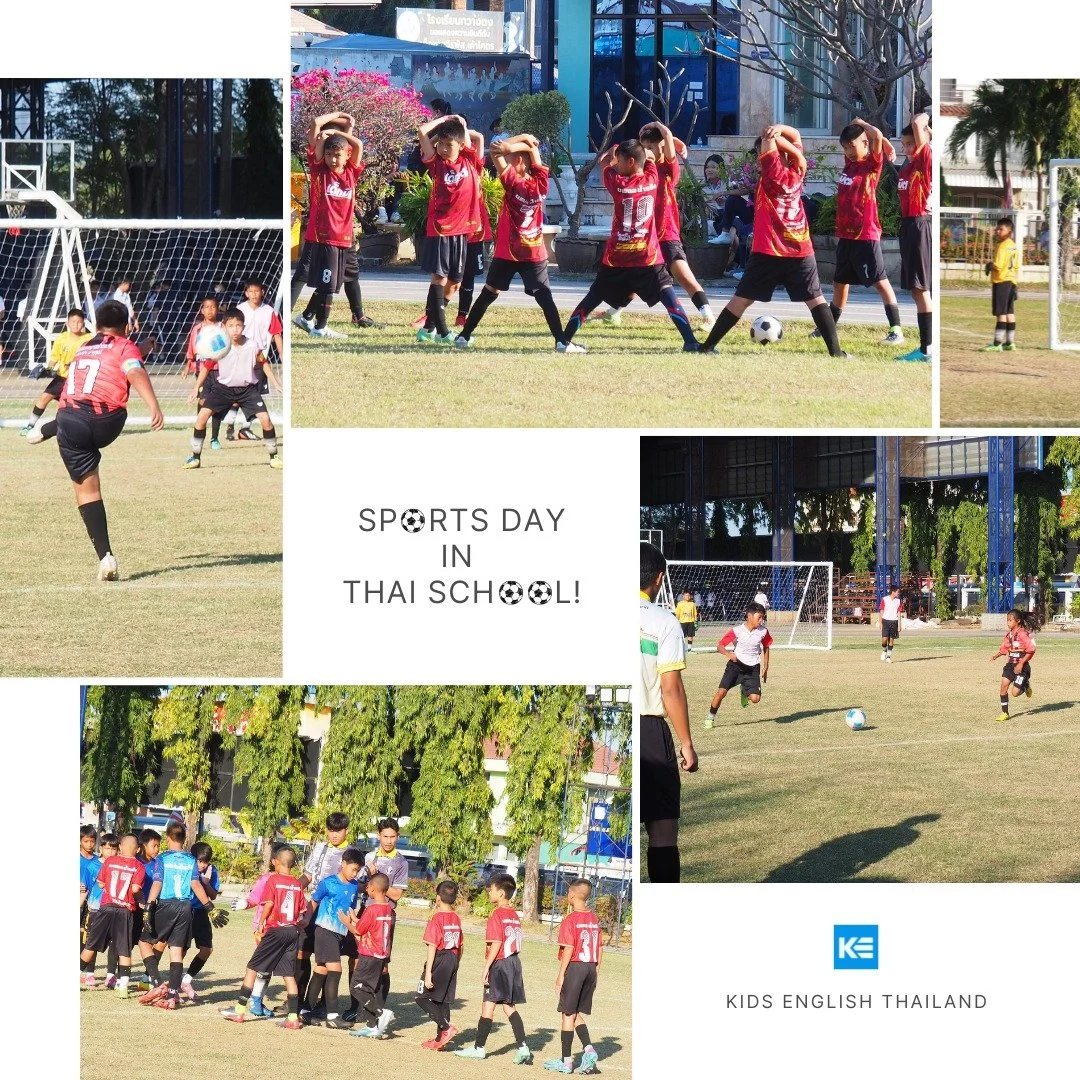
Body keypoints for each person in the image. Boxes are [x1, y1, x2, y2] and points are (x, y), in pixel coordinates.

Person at [26, 299, 164, 581]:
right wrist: (154, 406)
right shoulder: (126, 346)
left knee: (87, 492)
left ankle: (106, 557)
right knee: (97, 410)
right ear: (126, 327)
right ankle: (52, 427)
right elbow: (133, 370)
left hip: (71, 422)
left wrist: (142, 350)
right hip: (107, 423)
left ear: (96, 326)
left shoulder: (84, 347)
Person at [700, 126, 844, 357]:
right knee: (815, 300)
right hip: (799, 249)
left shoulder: (772, 172)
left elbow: (771, 146)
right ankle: (836, 353)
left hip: (769, 250)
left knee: (741, 299)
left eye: (760, 154)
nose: (758, 159)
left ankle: (706, 347)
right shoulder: (797, 169)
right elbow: (795, 137)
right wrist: (781, 131)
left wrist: (772, 137)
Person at [560, 140, 700, 354]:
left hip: (617, 257)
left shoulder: (617, 184)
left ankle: (564, 341)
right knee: (667, 294)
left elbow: (605, 163)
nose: (618, 164)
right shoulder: (653, 179)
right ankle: (690, 341)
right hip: (647, 257)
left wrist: (611, 154)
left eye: (622, 161)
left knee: (593, 297)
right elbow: (652, 160)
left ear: (631, 161)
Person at [454, 133, 570, 350]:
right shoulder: (541, 183)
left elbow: (497, 150)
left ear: (517, 162)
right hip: (533, 251)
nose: (504, 162)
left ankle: (464, 336)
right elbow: (534, 152)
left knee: (489, 293)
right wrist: (527, 142)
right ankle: (561, 341)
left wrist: (518, 139)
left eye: (509, 159)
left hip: (507, 251)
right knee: (544, 296)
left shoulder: (512, 182)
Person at [595, 124, 715, 329]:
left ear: (662, 148)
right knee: (633, 277)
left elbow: (666, 138)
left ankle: (708, 317)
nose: (647, 150)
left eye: (652, 146)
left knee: (683, 276)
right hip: (642, 236)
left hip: (665, 234)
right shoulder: (638, 171)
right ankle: (614, 313)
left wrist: (667, 135)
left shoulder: (668, 169)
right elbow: (618, 152)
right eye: (645, 146)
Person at [815, 118, 903, 344]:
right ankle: (827, 327)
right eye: (845, 148)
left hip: (866, 234)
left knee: (880, 281)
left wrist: (881, 139)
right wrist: (859, 125)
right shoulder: (850, 163)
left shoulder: (872, 164)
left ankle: (896, 330)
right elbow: (856, 124)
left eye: (852, 147)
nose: (848, 151)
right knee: (839, 283)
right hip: (845, 235)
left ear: (865, 143)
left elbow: (876, 136)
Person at [293, 112, 378, 338]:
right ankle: (320, 327)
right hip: (326, 236)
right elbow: (315, 125)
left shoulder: (351, 171)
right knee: (326, 283)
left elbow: (357, 144)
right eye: (328, 154)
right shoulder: (320, 170)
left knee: (335, 281)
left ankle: (309, 317)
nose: (332, 159)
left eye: (336, 155)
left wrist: (339, 129)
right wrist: (330, 126)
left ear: (346, 155)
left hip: (345, 237)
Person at [640, 542, 696, 883]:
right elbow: (670, 687)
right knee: (661, 833)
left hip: (606, 725)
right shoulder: (663, 621)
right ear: (659, 579)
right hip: (648, 732)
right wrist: (686, 742)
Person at [415, 114, 485, 344]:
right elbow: (422, 131)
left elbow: (476, 138)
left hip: (463, 231)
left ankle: (428, 328)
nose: (444, 149)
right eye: (441, 144)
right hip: (441, 229)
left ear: (460, 145)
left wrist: (462, 126)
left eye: (449, 144)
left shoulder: (471, 161)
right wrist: (445, 119)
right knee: (440, 278)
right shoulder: (436, 163)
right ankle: (443, 333)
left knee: (455, 283)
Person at [183, 308, 282, 470]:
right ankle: (195, 458)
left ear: (244, 326)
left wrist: (276, 382)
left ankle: (274, 457)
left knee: (266, 420)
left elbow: (263, 363)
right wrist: (196, 388)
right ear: (224, 327)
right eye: (230, 326)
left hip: (247, 390)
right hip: (223, 389)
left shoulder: (252, 345)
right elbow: (206, 367)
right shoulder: (220, 346)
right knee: (201, 418)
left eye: (238, 325)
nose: (235, 329)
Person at [223, 844, 307, 1029]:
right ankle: (293, 1017)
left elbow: (268, 904)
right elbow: (302, 914)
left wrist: (261, 921)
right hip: (293, 932)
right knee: (288, 975)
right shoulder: (297, 884)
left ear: (276, 862)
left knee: (252, 968)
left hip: (274, 930)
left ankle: (239, 1011)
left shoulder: (273, 880)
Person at [454, 874, 532, 1063]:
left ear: (502, 893)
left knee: (488, 1005)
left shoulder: (497, 914)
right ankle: (522, 1047)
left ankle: (479, 1048)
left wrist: (487, 967)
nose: (489, 891)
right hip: (514, 963)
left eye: (492, 889)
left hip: (500, 963)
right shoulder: (513, 914)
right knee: (508, 1006)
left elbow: (496, 942)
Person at [138, 821, 211, 1010]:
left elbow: (157, 884)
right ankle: (171, 997)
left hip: (166, 904)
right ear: (185, 838)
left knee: (144, 942)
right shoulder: (190, 860)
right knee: (176, 951)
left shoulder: (162, 859)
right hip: (186, 907)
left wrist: (148, 906)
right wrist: (209, 906)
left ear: (168, 838)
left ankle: (156, 984)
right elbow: (196, 885)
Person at [296, 811, 353, 1010]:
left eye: (338, 831)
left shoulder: (351, 854)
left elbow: (356, 886)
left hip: (332, 915)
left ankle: (321, 1004)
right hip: (313, 905)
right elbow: (308, 876)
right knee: (302, 952)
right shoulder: (320, 848)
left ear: (346, 830)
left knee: (327, 960)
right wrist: (294, 887)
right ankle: (296, 1000)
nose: (334, 835)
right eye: (331, 830)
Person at [545, 879, 602, 1075]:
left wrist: (561, 975)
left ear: (572, 894)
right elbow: (600, 947)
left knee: (567, 1014)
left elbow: (569, 948)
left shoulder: (570, 920)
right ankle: (588, 1050)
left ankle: (567, 1062)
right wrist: (596, 969)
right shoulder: (594, 918)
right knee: (576, 1013)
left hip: (576, 968)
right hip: (590, 968)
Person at [302, 846, 363, 1028]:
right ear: (343, 864)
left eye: (358, 870)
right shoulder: (328, 883)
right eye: (353, 869)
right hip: (325, 931)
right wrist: (306, 919)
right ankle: (332, 1017)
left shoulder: (353, 886)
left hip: (340, 934)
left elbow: (351, 909)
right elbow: (314, 901)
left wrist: (355, 924)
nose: (355, 873)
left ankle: (305, 1012)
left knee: (321, 970)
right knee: (336, 970)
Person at [80, 833, 145, 997]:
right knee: (124, 949)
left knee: (90, 945)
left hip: (106, 907)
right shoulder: (139, 866)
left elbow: (101, 883)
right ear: (137, 850)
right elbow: (136, 889)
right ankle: (123, 986)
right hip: (125, 911)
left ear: (121, 847)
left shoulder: (109, 861)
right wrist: (139, 900)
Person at [226, 277, 286, 440]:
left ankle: (244, 428)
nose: (253, 294)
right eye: (250, 291)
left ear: (262, 292)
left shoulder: (269, 312)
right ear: (246, 293)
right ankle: (230, 422)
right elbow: (229, 332)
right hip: (240, 357)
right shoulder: (240, 310)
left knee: (255, 394)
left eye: (256, 291)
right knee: (238, 392)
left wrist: (283, 357)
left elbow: (276, 335)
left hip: (260, 359)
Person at [896, 112, 933, 362]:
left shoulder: (924, 157)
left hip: (919, 224)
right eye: (904, 144)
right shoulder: (908, 165)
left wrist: (924, 115)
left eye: (910, 143)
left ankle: (926, 350)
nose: (907, 148)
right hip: (908, 226)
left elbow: (920, 122)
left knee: (921, 289)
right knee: (915, 290)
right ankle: (925, 348)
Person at [341, 872, 396, 1038]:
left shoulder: (371, 909)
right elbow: (369, 926)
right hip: (380, 955)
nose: (366, 889)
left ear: (372, 888)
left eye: (368, 886)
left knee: (356, 987)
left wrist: (346, 922)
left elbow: (358, 931)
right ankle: (372, 1026)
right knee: (368, 989)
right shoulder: (387, 908)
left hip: (369, 954)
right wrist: (354, 918)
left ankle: (380, 1013)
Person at [21, 308, 92, 435]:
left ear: (83, 324)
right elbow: (54, 357)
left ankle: (87, 426)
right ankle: (30, 426)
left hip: (79, 380)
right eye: (73, 321)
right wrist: (48, 369)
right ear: (67, 323)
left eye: (79, 322)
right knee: (44, 398)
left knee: (77, 406)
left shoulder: (88, 339)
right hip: (62, 378)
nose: (76, 324)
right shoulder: (61, 338)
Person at [706, 602, 772, 726]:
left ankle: (744, 690)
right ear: (749, 616)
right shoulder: (737, 631)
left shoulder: (763, 631)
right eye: (760, 617)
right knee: (721, 692)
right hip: (735, 666)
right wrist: (728, 654)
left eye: (763, 617)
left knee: (755, 699)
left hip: (753, 668)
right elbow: (719, 646)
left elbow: (767, 646)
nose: (762, 620)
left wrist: (766, 666)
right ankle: (710, 718)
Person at [415, 879, 463, 1050]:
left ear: (437, 898)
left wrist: (428, 972)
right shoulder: (456, 918)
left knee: (421, 997)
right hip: (452, 958)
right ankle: (439, 1040)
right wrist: (455, 963)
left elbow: (432, 946)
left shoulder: (437, 918)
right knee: (442, 1000)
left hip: (440, 958)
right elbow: (461, 945)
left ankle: (446, 1028)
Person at [181, 841, 221, 1002]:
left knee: (207, 949)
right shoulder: (187, 868)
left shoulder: (212, 871)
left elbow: (213, 895)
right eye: (199, 861)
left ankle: (186, 981)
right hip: (184, 911)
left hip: (202, 913)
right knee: (180, 950)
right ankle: (171, 984)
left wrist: (205, 883)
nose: (202, 865)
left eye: (205, 862)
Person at [183, 296, 226, 448]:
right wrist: (188, 364)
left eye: (213, 307)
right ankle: (199, 431)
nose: (210, 310)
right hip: (202, 370)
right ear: (201, 310)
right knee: (203, 401)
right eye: (206, 307)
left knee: (217, 403)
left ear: (218, 308)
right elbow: (191, 348)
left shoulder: (222, 328)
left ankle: (214, 438)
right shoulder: (197, 329)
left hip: (219, 370)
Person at [991, 609, 1037, 721]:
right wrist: (997, 655)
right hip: (1010, 665)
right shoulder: (1009, 635)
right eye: (1007, 620)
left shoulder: (1023, 634)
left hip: (1022, 667)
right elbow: (1005, 648)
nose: (1008, 623)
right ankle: (1005, 713)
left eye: (1010, 620)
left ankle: (1025, 685)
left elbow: (1031, 650)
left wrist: (1021, 663)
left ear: (1018, 621)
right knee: (1003, 687)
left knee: (1015, 693)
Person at [131, 828, 162, 990]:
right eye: (154, 846)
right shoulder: (134, 862)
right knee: (124, 945)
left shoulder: (158, 864)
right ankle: (117, 977)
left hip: (151, 910)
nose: (157, 849)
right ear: (143, 845)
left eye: (159, 846)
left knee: (152, 944)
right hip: (132, 909)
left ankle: (146, 977)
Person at [982, 217, 1019, 352]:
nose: (998, 231)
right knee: (1009, 311)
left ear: (1009, 231)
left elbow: (998, 265)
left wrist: (990, 265)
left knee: (1001, 312)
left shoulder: (1002, 246)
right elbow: (1016, 266)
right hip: (1011, 281)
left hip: (1001, 281)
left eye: (1001, 229)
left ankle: (997, 343)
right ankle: (1010, 342)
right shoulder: (1013, 246)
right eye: (997, 228)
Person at [879, 583, 902, 662]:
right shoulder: (884, 599)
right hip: (886, 621)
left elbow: (899, 613)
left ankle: (888, 657)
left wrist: (899, 625)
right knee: (884, 639)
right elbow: (881, 611)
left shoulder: (898, 601)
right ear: (893, 592)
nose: (898, 593)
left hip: (894, 621)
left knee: (891, 640)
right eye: (897, 592)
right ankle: (884, 650)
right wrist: (880, 622)